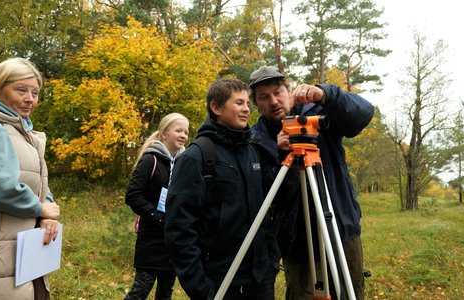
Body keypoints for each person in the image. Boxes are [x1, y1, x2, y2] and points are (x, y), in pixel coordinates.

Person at [249, 66, 374, 300]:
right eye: (264, 97)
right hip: (298, 242)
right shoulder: (256, 140)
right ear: (257, 104)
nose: (274, 101)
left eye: (278, 92)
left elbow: (364, 113)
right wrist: (280, 156)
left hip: (340, 228)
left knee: (349, 293)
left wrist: (326, 93)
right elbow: (268, 196)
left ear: (289, 90)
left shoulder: (318, 114)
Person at [165, 78, 280, 300]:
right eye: (238, 103)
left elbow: (267, 211)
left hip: (260, 279)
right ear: (216, 107)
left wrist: (271, 262)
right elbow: (179, 229)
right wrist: (201, 289)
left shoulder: (253, 152)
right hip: (220, 283)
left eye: (247, 103)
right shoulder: (196, 157)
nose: (246, 109)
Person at [0, 57, 61, 299]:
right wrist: (39, 207)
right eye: (21, 90)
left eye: (35, 92)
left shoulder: (21, 131)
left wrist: (46, 213)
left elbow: (38, 179)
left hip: (19, 246)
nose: (30, 99)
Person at [124, 112, 189, 300]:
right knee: (141, 290)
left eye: (186, 131)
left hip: (174, 238)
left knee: (165, 292)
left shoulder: (185, 163)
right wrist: (157, 217)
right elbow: (133, 196)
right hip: (151, 237)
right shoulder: (150, 160)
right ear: (164, 134)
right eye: (178, 130)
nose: (183, 135)